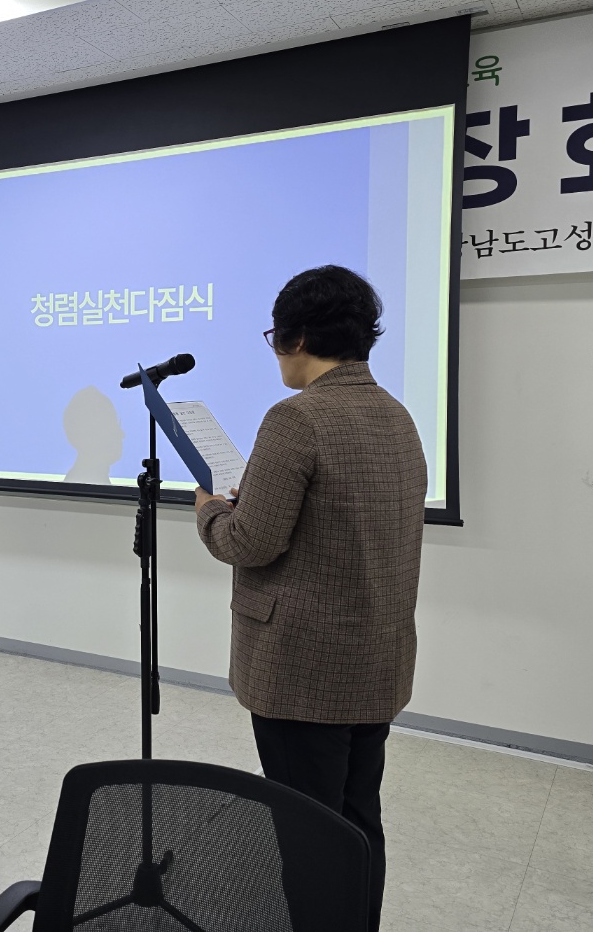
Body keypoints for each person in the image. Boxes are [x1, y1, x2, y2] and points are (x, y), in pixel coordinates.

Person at [192, 265, 425, 932]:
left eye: (274, 340)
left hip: (303, 672)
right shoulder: (397, 416)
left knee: (306, 828)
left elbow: (250, 542)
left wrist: (209, 510)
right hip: (375, 659)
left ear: (295, 338)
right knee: (356, 817)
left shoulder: (295, 419)